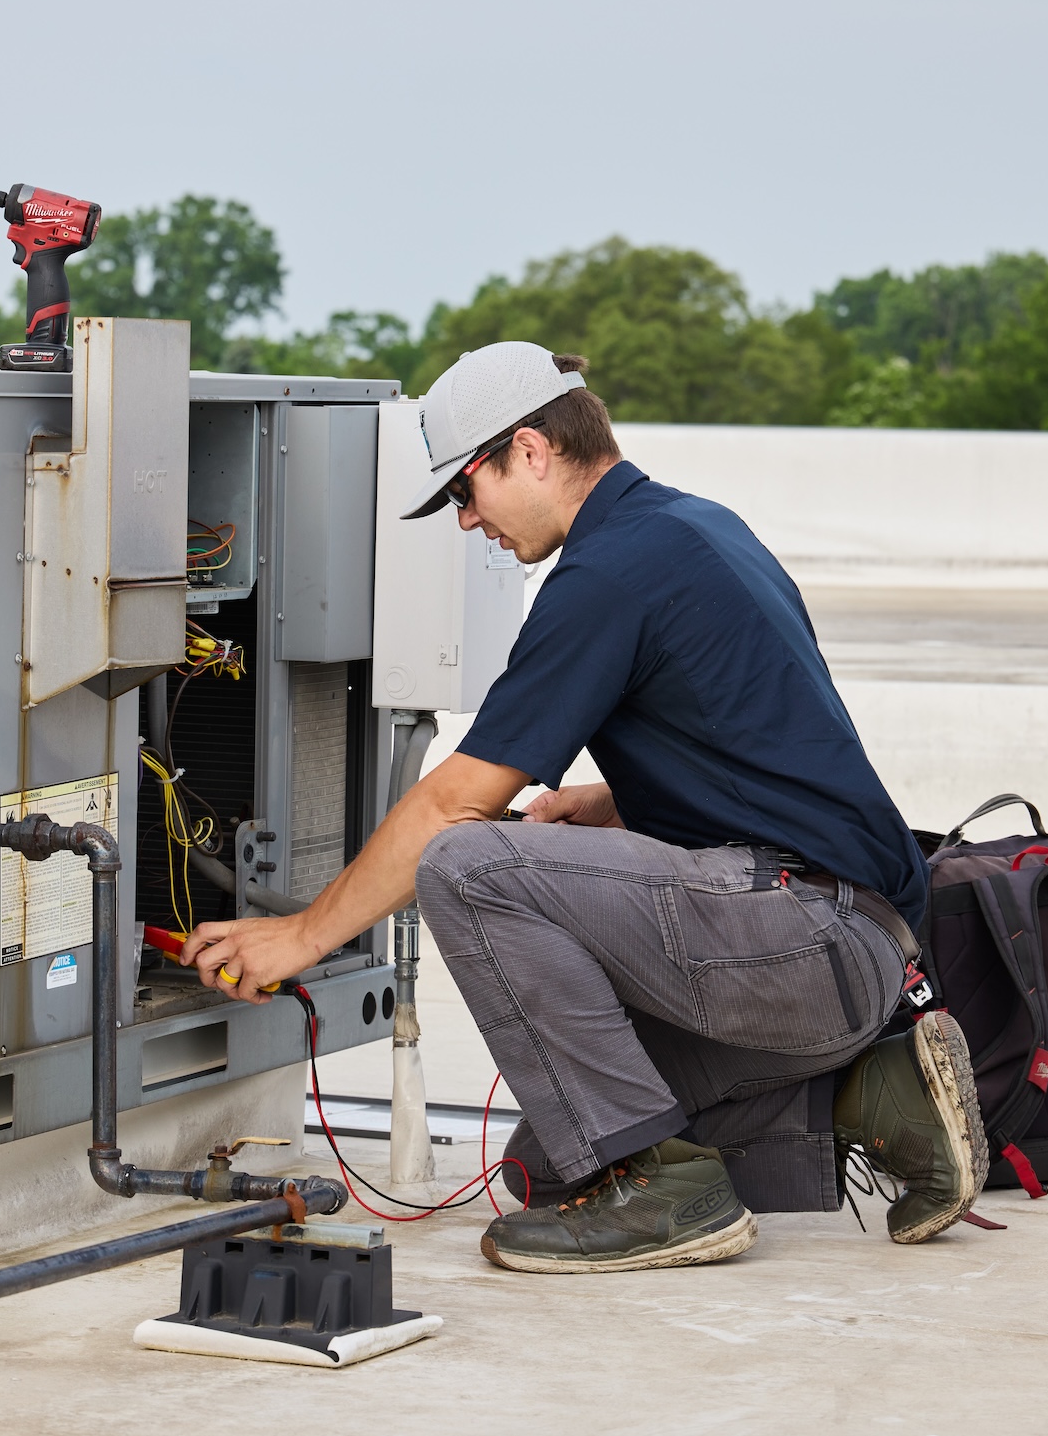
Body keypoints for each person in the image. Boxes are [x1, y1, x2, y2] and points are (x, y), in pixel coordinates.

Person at [182, 342, 989, 1273]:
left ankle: (668, 1198)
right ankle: (872, 1097)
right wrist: (617, 804)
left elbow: (454, 806)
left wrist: (301, 937)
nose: (466, 520)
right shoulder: (696, 525)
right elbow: (772, 746)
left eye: (465, 489)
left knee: (468, 865)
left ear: (529, 450)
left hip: (806, 944)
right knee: (548, 1167)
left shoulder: (609, 572)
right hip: (858, 950)